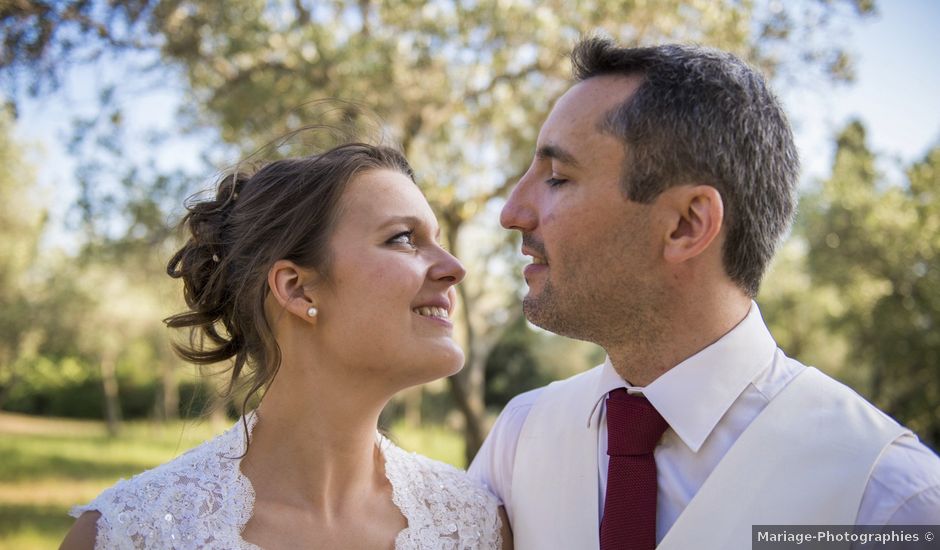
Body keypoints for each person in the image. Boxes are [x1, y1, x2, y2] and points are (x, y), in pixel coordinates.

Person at [469, 38, 940, 549]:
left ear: (687, 225)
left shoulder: (890, 500)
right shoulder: (518, 440)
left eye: (558, 178)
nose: (512, 212)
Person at [61, 143, 512, 549]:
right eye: (403, 238)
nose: (454, 268)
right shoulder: (128, 535)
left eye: (440, 242)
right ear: (297, 289)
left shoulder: (475, 527)